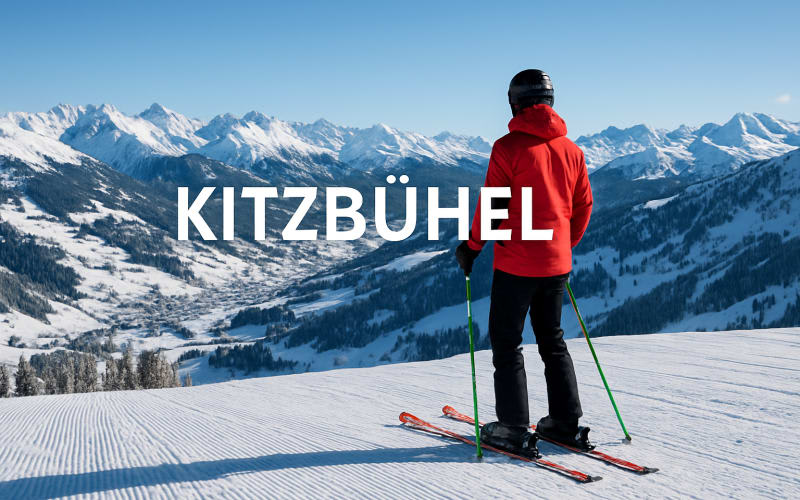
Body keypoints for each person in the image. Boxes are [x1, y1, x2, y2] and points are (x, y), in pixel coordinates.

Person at [455, 69, 593, 458]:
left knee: (507, 343)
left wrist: (473, 245)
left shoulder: (508, 147)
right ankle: (566, 424)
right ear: (550, 101)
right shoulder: (572, 150)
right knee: (553, 341)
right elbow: (583, 207)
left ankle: (513, 428)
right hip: (556, 264)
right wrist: (562, 246)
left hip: (516, 264)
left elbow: (495, 207)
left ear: (514, 103)